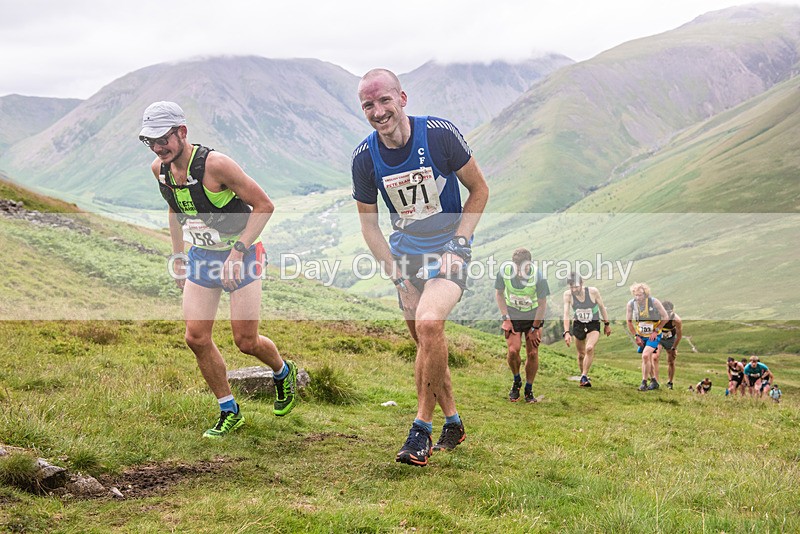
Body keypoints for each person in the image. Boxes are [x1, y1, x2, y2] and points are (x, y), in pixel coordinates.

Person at [351, 69, 489, 466]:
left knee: (430, 324)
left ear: (402, 98)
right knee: (426, 343)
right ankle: (454, 422)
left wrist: (459, 243)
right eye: (368, 105)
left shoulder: (439, 135)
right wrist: (398, 277)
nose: (378, 112)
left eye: (384, 101)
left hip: (449, 250)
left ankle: (419, 431)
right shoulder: (365, 158)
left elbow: (479, 190)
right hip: (406, 258)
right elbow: (369, 225)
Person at [139, 101, 298, 438]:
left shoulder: (216, 165)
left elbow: (265, 206)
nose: (157, 147)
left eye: (162, 139)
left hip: (241, 254)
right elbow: (175, 210)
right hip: (201, 257)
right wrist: (178, 256)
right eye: (150, 141)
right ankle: (229, 409)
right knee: (196, 337)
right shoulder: (160, 169)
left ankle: (283, 372)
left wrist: (238, 252)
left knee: (246, 340)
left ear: (182, 132)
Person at [495, 248, 550, 402]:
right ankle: (517, 379)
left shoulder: (539, 277)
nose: (519, 272)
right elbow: (499, 294)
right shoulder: (504, 271)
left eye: (523, 268)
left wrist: (535, 328)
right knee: (513, 351)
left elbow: (542, 304)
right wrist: (505, 318)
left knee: (532, 353)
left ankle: (529, 389)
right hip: (513, 314)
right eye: (516, 267)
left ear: (530, 265)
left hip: (533, 315)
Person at [561, 272, 611, 388]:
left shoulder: (593, 292)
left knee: (589, 348)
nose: (574, 289)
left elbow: (602, 307)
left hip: (593, 324)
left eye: (576, 286)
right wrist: (567, 332)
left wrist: (607, 324)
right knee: (580, 355)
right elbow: (566, 313)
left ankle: (584, 375)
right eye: (571, 287)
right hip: (578, 325)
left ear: (582, 283)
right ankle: (584, 377)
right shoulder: (568, 295)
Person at [626, 283, 669, 391]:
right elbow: (629, 321)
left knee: (645, 356)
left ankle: (644, 382)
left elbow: (665, 317)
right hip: (641, 335)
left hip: (653, 335)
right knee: (647, 358)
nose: (638, 298)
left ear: (645, 294)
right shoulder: (631, 304)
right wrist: (636, 335)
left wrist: (657, 330)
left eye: (640, 295)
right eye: (636, 295)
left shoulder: (654, 302)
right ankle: (654, 381)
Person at [658, 301, 683, 390]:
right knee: (654, 356)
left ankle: (670, 382)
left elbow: (679, 336)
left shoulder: (677, 320)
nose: (666, 315)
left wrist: (674, 348)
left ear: (672, 310)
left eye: (669, 312)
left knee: (671, 361)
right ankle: (654, 380)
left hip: (671, 338)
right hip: (659, 337)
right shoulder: (657, 315)